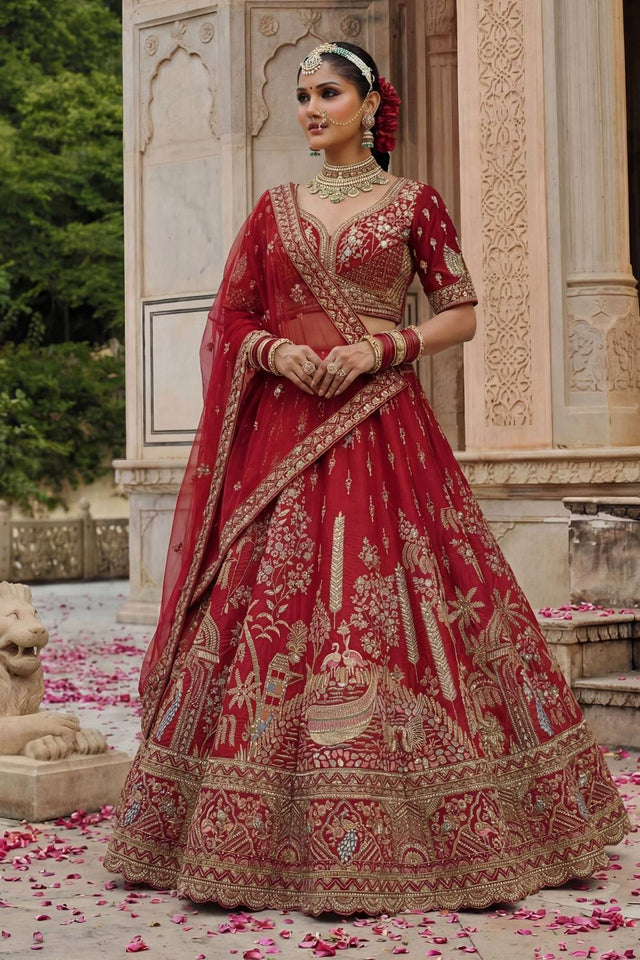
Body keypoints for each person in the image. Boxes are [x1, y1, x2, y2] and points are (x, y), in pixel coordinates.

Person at [104, 41, 629, 915]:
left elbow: (461, 309)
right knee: (268, 609)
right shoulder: (273, 211)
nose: (312, 109)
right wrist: (276, 351)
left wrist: (382, 347)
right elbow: (230, 317)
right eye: (303, 95)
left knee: (403, 601)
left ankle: (452, 826)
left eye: (329, 94)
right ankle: (239, 832)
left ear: (371, 103)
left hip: (383, 429)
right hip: (284, 432)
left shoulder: (415, 203)